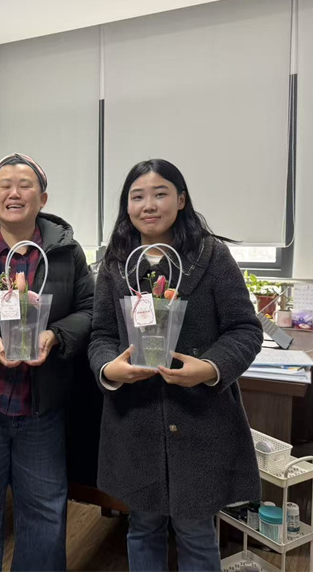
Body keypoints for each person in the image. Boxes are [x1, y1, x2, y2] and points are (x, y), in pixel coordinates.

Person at [88, 158, 262, 571]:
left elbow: (244, 329)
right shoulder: (115, 263)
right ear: (126, 205)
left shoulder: (211, 256)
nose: (149, 205)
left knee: (197, 533)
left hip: (200, 420)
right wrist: (109, 369)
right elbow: (101, 336)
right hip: (135, 422)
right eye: (137, 196)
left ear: (181, 200)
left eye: (160, 193)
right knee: (142, 527)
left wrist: (210, 368)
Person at [0, 153, 94, 571]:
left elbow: (90, 309)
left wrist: (55, 335)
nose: (14, 193)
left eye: (25, 185)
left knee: (45, 510)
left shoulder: (66, 253)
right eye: (4, 185)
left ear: (43, 198)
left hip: (41, 406)